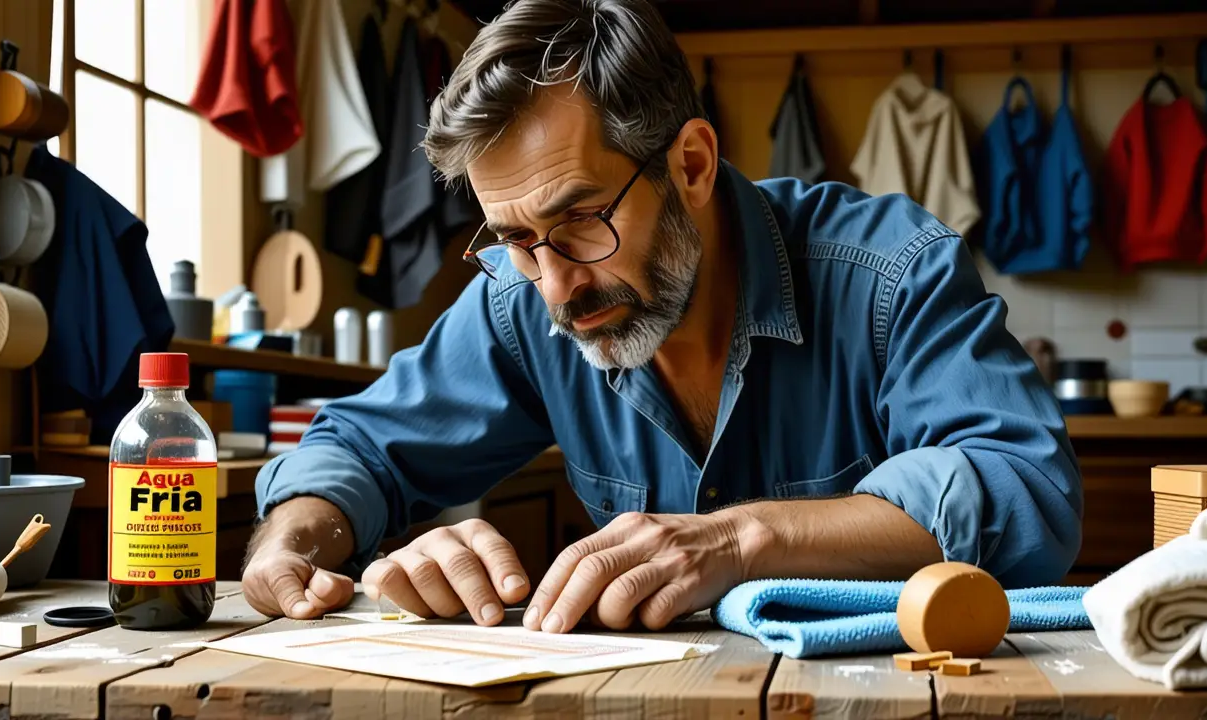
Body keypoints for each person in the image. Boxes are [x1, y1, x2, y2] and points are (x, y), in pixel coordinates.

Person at [241, 0, 1083, 633]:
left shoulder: (890, 271)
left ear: (691, 163)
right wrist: (292, 545)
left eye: (581, 220)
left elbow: (1027, 491)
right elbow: (351, 449)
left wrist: (743, 538)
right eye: (517, 240)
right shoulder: (521, 295)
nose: (556, 287)